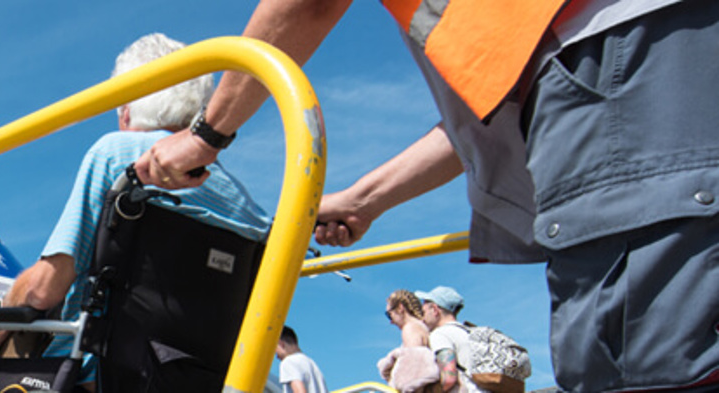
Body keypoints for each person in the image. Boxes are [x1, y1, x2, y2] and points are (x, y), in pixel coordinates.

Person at [132, 1, 719, 391]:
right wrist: (367, 197)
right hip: (627, 61)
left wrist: (205, 136)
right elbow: (484, 110)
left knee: (642, 363)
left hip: (618, 59)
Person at [0, 32, 272, 388]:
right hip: (198, 382)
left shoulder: (118, 154)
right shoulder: (247, 208)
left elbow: (46, 288)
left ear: (126, 109)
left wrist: (10, 298)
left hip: (93, 377)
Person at [414, 286, 478, 393]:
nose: (422, 318)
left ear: (434, 310)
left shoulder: (440, 334)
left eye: (423, 312)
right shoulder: (469, 332)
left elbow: (449, 378)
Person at [379, 289, 440, 393]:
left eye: (390, 315)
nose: (391, 321)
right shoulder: (423, 328)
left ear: (400, 308)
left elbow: (412, 375)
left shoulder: (410, 328)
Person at [277, 326, 329, 393]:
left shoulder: (288, 362)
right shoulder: (311, 363)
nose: (276, 356)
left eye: (274, 349)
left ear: (280, 344)